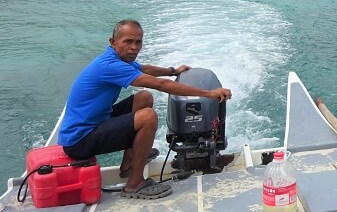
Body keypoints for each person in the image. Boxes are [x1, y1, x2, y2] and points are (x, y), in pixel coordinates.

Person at [58, 20, 232, 200]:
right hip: (79, 141)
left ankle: (128, 164)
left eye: (138, 42)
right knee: (147, 117)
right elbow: (161, 85)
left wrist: (173, 71)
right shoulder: (109, 65)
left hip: (96, 122)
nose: (134, 47)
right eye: (128, 41)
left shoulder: (116, 58)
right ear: (113, 42)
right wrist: (209, 93)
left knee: (144, 97)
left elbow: (144, 69)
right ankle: (134, 184)